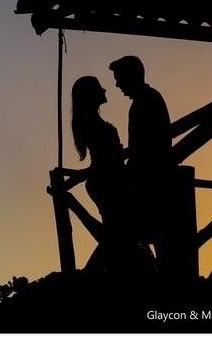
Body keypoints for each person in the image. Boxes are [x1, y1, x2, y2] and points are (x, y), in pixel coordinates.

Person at [108, 56, 171, 246]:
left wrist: (127, 174)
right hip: (152, 178)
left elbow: (142, 150)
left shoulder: (144, 102)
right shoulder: (148, 98)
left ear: (131, 76)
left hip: (151, 181)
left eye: (119, 78)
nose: (117, 84)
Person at [70, 76, 127, 231]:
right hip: (106, 181)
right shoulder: (93, 126)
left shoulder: (92, 123)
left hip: (106, 179)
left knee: (117, 231)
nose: (104, 90)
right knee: (118, 231)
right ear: (89, 94)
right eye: (98, 88)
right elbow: (105, 159)